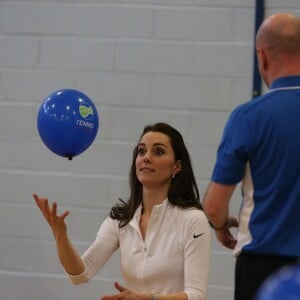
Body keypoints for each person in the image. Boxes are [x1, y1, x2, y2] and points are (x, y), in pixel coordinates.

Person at [34, 122, 211, 300]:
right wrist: (60, 236)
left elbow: (196, 295)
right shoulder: (120, 219)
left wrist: (149, 299)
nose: (146, 158)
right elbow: (80, 274)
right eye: (141, 151)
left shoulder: (193, 219)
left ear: (177, 167)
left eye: (158, 152)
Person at [202, 12, 300, 300]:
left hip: (263, 266)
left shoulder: (248, 117)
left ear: (262, 56)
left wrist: (220, 226)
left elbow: (213, 206)